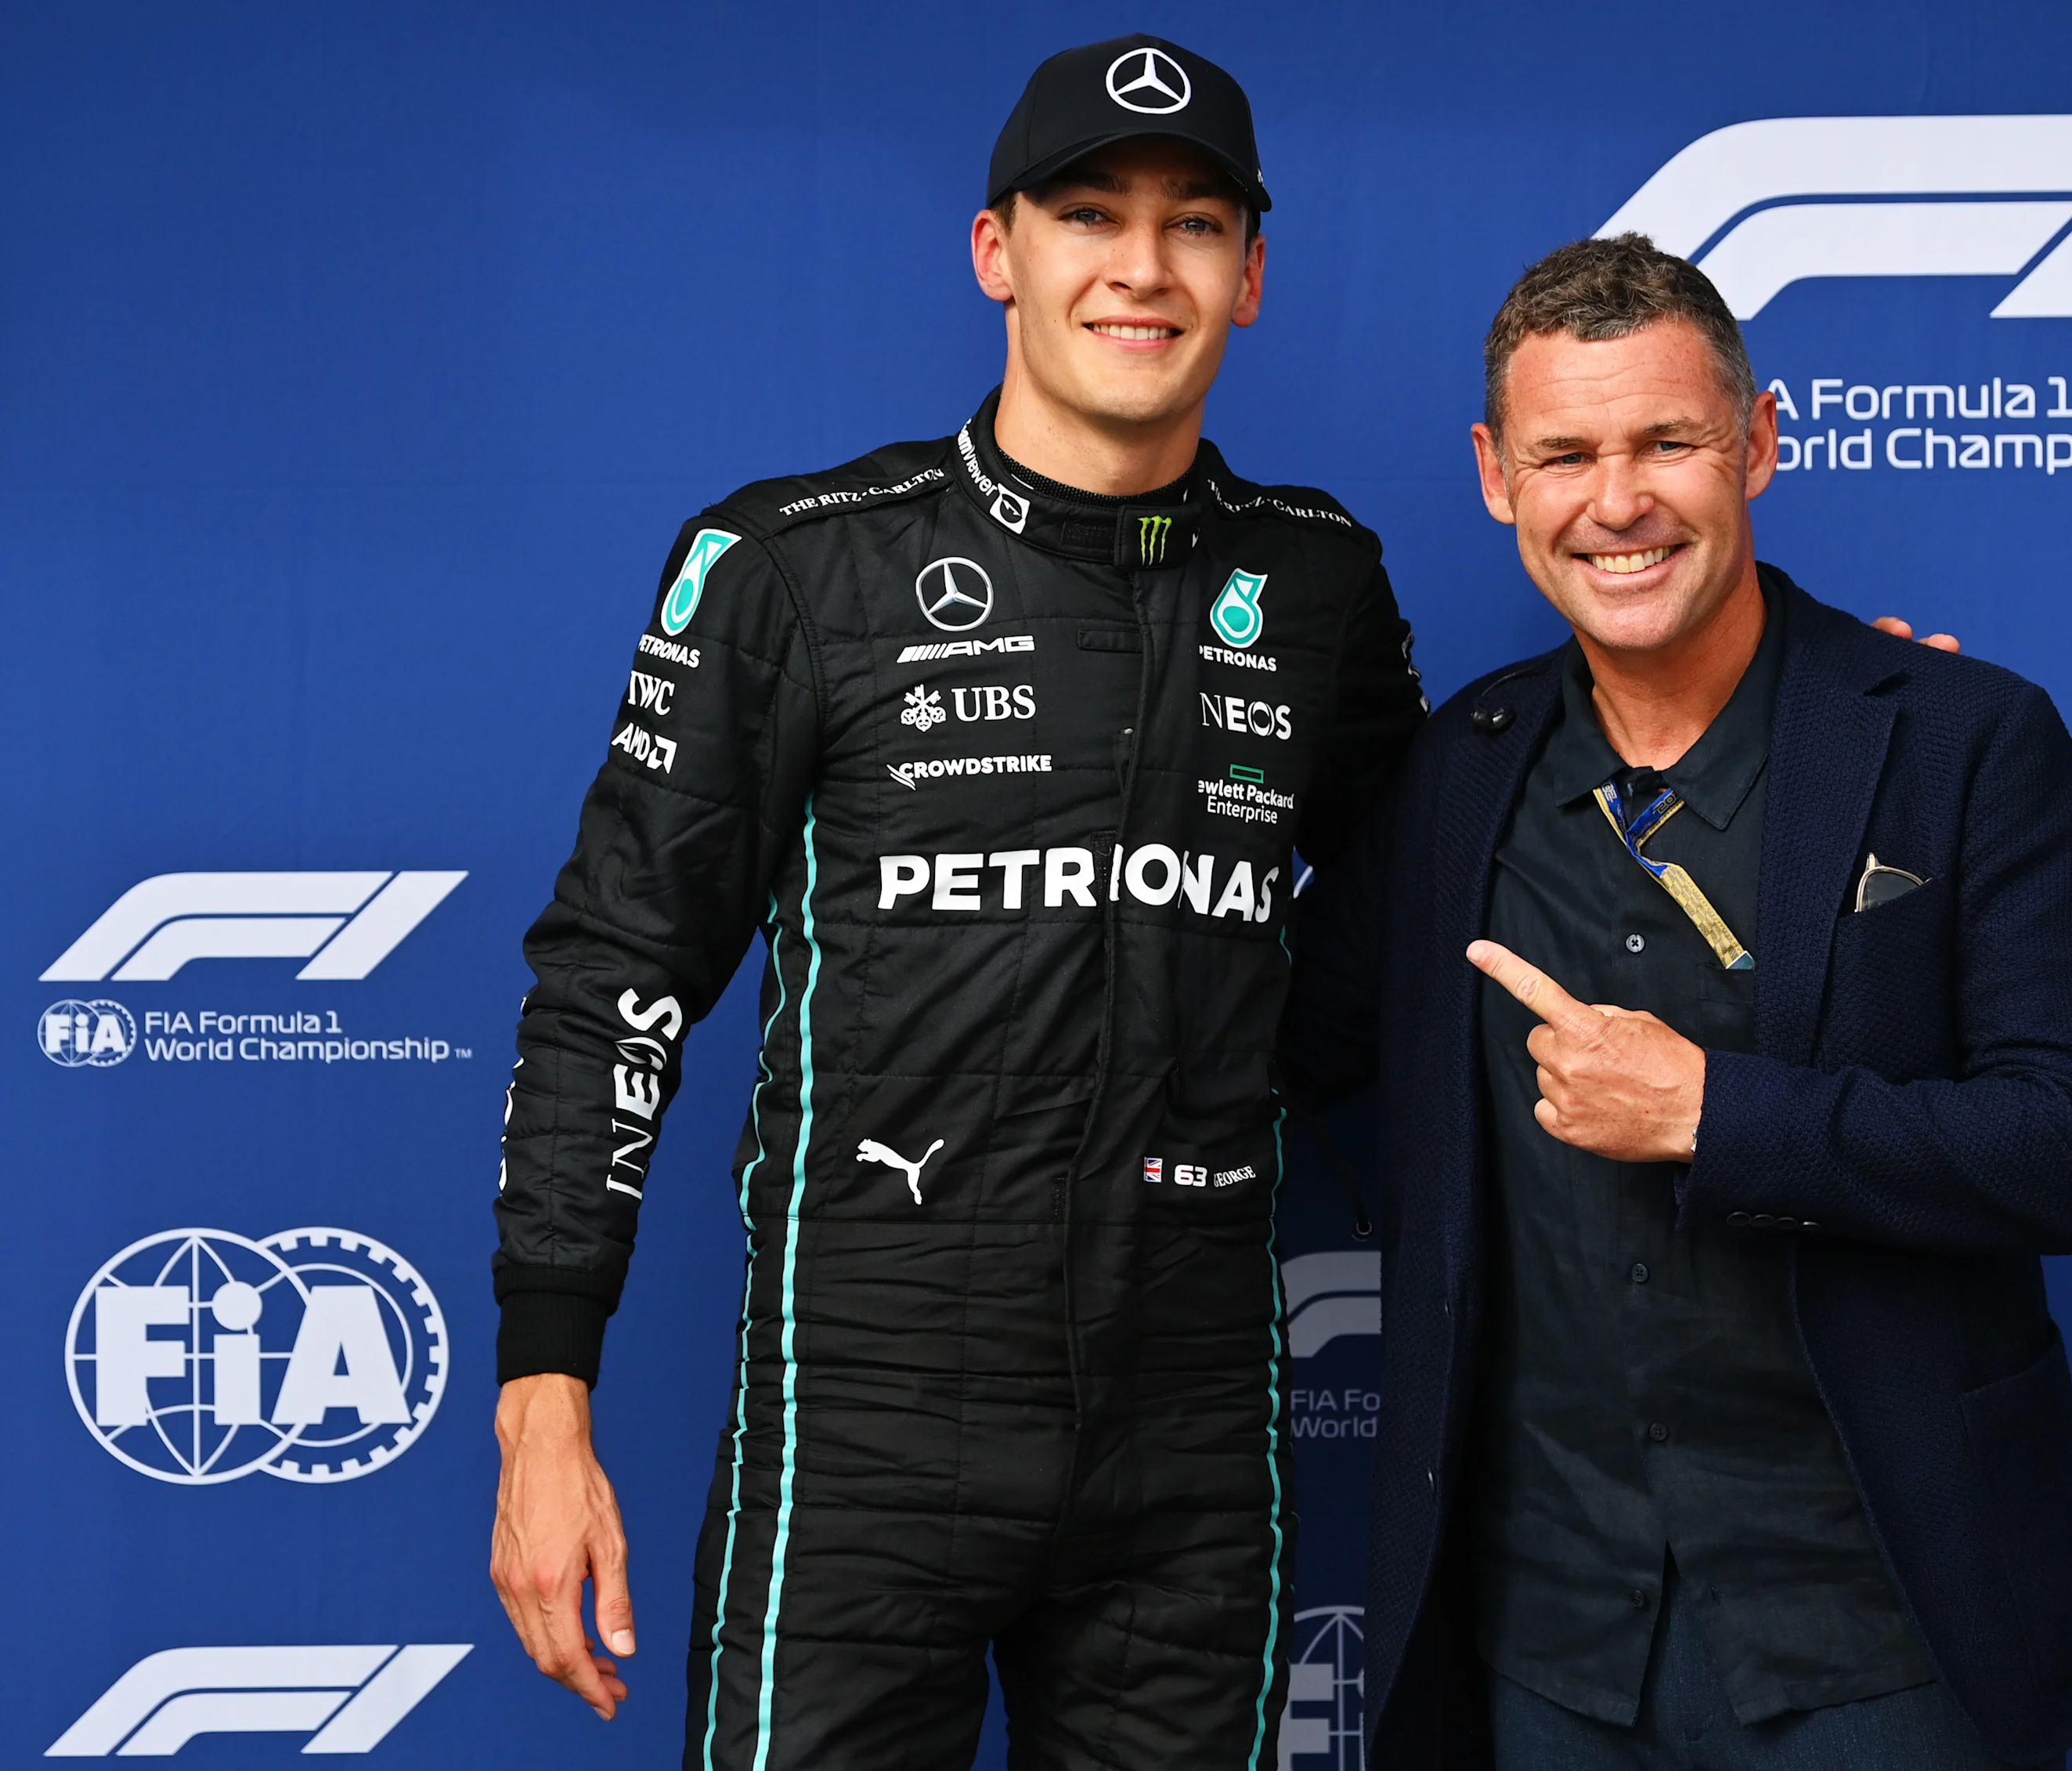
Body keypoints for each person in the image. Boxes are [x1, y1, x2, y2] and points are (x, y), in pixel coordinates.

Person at [486, 35, 1431, 1769]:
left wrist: (1790, 727)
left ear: (1252, 273)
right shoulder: (791, 566)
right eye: (1089, 214)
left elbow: (1456, 878)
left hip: (1192, 1431)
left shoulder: (1317, 582)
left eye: (1194, 222)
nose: (1141, 269)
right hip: (865, 1419)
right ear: (998, 250)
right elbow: (613, 968)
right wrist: (544, 1398)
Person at [1285, 235, 2072, 1769]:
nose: (1615, 502)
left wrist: (1716, 1112)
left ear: (1756, 440)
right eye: (1564, 453)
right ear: (1497, 475)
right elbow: (1283, 1041)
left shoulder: (1962, 738)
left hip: (1886, 1621)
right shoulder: (1457, 772)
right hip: (1547, 1636)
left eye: (1667, 441)